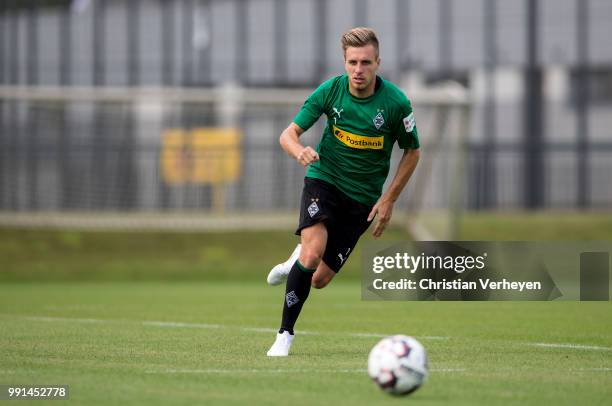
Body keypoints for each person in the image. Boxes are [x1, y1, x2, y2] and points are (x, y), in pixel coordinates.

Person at [266, 27, 421, 356]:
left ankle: (295, 259)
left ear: (378, 62)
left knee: (319, 279)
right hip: (324, 179)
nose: (358, 70)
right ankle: (284, 335)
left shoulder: (396, 103)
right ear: (344, 62)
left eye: (366, 62)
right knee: (313, 252)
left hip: (362, 199)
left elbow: (413, 151)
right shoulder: (330, 91)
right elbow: (288, 135)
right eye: (352, 62)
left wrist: (389, 199)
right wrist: (300, 152)